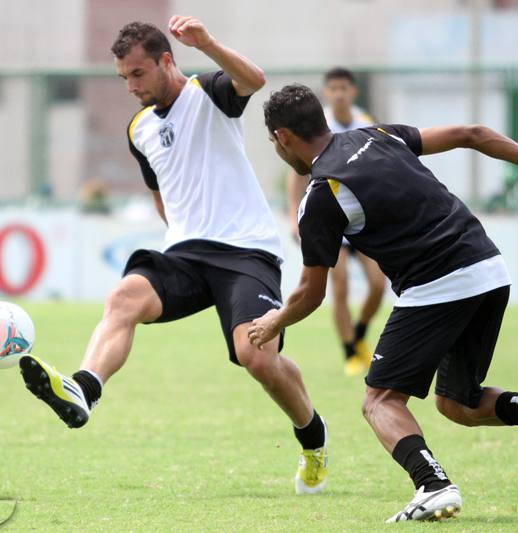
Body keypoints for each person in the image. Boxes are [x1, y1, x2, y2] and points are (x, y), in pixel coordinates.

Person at [249, 83, 518, 521]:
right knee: (458, 403)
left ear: (282, 138)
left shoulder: (322, 194)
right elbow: (471, 132)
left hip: (437, 283)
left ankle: (433, 486)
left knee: (380, 401)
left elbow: (311, 293)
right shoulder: (377, 135)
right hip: (488, 267)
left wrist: (273, 321)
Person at [18, 18, 329, 495]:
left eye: (138, 74)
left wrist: (206, 44)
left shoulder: (209, 92)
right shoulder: (138, 128)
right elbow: (159, 191)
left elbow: (255, 81)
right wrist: (181, 231)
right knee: (124, 296)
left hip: (246, 251)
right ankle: (85, 388)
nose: (130, 86)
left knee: (258, 358)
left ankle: (313, 437)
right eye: (123, 77)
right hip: (186, 253)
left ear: (167, 61)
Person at [285, 68, 386, 376]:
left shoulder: (365, 123)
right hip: (332, 218)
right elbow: (298, 172)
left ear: (352, 91)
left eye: (344, 88)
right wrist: (292, 216)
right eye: (333, 88)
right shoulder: (318, 126)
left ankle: (359, 335)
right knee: (339, 288)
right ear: (326, 93)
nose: (339, 93)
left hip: (363, 216)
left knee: (379, 285)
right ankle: (350, 354)